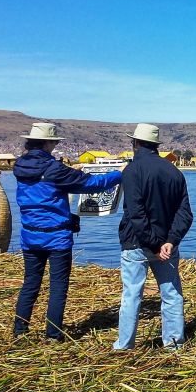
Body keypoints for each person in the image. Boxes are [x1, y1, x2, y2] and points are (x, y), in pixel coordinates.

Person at [13, 123, 122, 341]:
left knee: (30, 283)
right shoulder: (54, 169)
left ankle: (19, 331)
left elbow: (46, 190)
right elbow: (92, 184)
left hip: (29, 235)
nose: (55, 145)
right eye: (54, 142)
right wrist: (118, 175)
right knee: (58, 286)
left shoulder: (20, 166)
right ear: (47, 143)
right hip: (56, 237)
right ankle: (53, 334)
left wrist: (69, 174)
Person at [114, 124, 193, 350]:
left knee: (132, 295)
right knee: (171, 294)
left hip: (136, 243)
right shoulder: (174, 172)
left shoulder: (131, 171)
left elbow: (136, 214)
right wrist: (170, 241)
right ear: (156, 146)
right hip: (167, 246)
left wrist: (154, 243)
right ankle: (174, 343)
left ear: (135, 144)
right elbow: (185, 213)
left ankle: (125, 345)